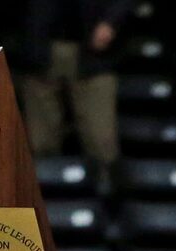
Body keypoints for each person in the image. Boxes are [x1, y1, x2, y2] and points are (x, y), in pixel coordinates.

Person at [14, 0, 129, 187]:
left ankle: (106, 201)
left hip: (95, 54)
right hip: (38, 49)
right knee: (39, 144)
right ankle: (43, 201)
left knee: (102, 143)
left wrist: (112, 20)